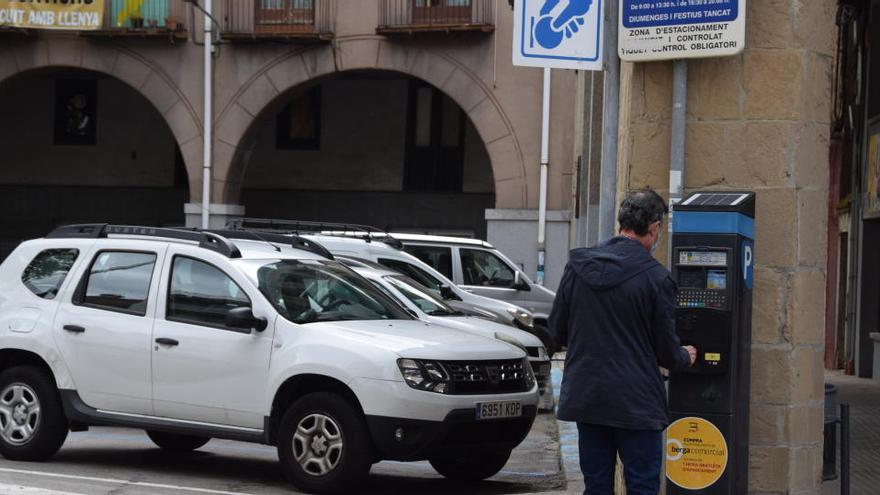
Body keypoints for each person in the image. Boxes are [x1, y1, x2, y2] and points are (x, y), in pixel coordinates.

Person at [549, 188, 697, 495]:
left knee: (597, 485)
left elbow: (557, 332)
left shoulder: (577, 267)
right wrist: (685, 356)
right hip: (636, 404)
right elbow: (667, 352)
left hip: (588, 398)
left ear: (621, 223)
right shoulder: (657, 279)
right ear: (655, 227)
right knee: (642, 486)